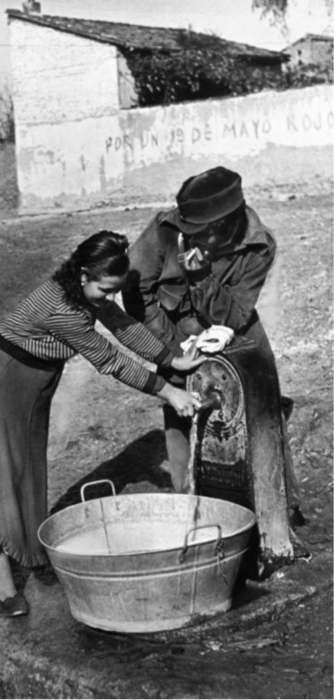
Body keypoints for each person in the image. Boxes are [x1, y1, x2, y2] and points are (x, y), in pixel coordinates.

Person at [0, 230, 205, 617]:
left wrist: (171, 359)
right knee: (4, 480)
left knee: (22, 475)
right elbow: (109, 358)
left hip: (30, 385)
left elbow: (120, 323)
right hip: (2, 385)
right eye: (105, 288)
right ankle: (4, 587)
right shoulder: (61, 307)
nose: (109, 297)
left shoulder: (84, 292)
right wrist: (168, 391)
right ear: (82, 274)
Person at [122, 166, 302, 519]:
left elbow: (234, 316)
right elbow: (135, 289)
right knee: (183, 408)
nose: (188, 237)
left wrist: (202, 278)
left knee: (262, 402)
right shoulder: (165, 231)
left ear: (223, 227)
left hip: (233, 326)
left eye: (198, 233)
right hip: (173, 331)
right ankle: (192, 506)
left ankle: (277, 506)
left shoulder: (259, 244)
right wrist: (172, 347)